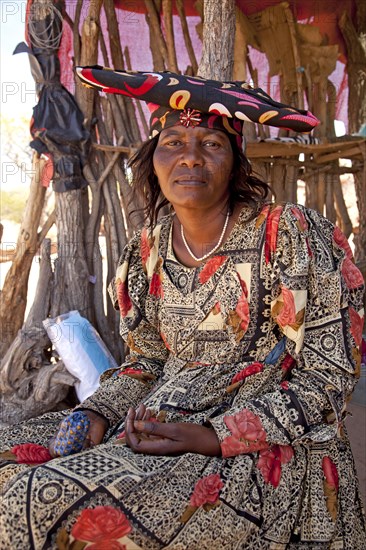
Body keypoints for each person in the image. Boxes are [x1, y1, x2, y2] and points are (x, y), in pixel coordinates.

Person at [0, 69, 365, 550]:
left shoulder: (291, 235)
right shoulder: (146, 252)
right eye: (173, 142)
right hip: (156, 428)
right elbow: (147, 362)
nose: (190, 156)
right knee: (11, 466)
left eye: (212, 143)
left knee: (39, 503)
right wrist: (99, 413)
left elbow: (328, 375)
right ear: (153, 161)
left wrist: (213, 436)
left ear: (235, 163)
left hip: (259, 450)